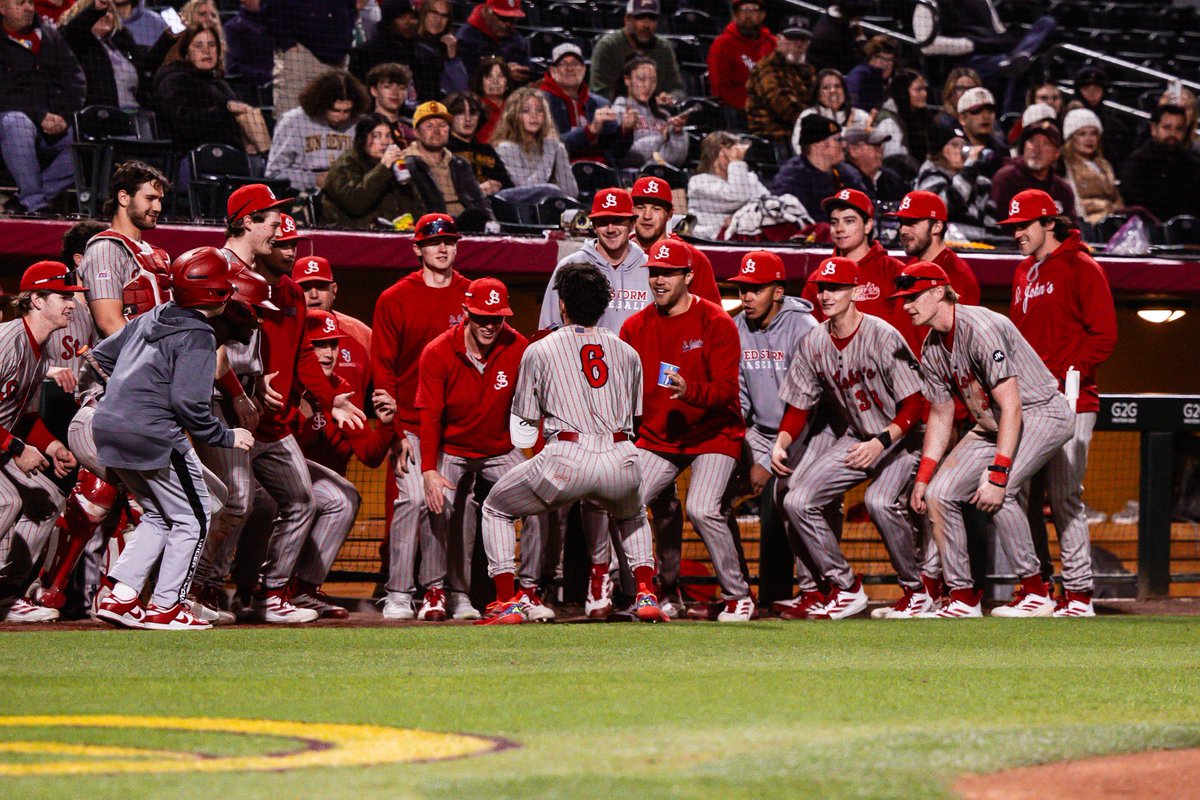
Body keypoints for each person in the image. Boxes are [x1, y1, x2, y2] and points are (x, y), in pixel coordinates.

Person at [478, 262, 668, 625]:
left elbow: (523, 428)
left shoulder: (540, 349)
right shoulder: (627, 352)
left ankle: (506, 601)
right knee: (631, 513)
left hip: (566, 456)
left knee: (496, 508)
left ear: (562, 304)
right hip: (621, 455)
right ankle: (645, 592)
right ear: (603, 306)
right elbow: (635, 419)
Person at [33, 162, 173, 614]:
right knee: (118, 497)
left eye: (160, 199)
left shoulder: (153, 254)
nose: (157, 206)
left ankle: (111, 596)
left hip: (145, 393)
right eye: (149, 198)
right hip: (110, 394)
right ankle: (55, 592)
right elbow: (112, 324)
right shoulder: (105, 248)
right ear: (123, 197)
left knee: (128, 499)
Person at [901, 258, 1075, 619]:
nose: (906, 305)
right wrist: (924, 475)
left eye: (913, 296)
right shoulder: (932, 346)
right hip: (993, 423)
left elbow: (1012, 405)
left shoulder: (979, 328)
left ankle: (1036, 590)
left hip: (1040, 411)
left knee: (1000, 489)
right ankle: (962, 597)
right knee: (938, 493)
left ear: (937, 291)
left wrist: (998, 472)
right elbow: (940, 412)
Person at [89, 247, 252, 630]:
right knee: (195, 518)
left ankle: (123, 596)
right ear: (213, 294)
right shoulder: (199, 334)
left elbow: (102, 355)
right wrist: (225, 436)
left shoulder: (155, 314)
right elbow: (189, 405)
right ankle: (167, 607)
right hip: (152, 433)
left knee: (162, 515)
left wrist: (132, 393)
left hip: (109, 426)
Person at [772, 256, 929, 619]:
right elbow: (798, 407)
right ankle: (845, 587)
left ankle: (915, 589)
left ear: (856, 291)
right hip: (858, 436)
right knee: (797, 501)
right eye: (822, 288)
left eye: (836, 288)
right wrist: (782, 441)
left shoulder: (883, 334)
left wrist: (881, 443)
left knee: (878, 501)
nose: (826, 295)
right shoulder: (814, 341)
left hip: (901, 439)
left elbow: (915, 403)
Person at [619, 239, 753, 622]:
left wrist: (689, 391)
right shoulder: (634, 327)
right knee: (625, 503)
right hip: (660, 437)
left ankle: (738, 595)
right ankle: (655, 591)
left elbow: (727, 390)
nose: (659, 280)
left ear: (688, 276)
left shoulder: (716, 321)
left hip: (714, 433)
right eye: (654, 273)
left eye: (668, 273)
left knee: (702, 508)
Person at [1005, 189, 1116, 618]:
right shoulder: (1021, 272)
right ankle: (1039, 589)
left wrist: (1067, 370)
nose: (1017, 234)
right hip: (1029, 402)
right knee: (1021, 493)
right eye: (1013, 227)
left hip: (1072, 399)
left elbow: (1104, 335)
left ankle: (1080, 593)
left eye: (1024, 225)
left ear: (1049, 223)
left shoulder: (1081, 266)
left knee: (1065, 495)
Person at [417, 278, 539, 622]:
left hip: (499, 449)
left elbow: (534, 405)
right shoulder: (438, 351)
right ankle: (437, 590)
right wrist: (429, 470)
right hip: (452, 448)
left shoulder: (517, 346)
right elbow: (430, 414)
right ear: (465, 313)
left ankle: (528, 589)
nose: (489, 325)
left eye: (496, 318)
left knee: (539, 502)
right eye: (482, 317)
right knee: (437, 504)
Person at [371, 213, 471, 621]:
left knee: (448, 505)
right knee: (413, 499)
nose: (443, 248)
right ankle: (398, 591)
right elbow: (383, 371)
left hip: (455, 428)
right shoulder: (394, 298)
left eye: (449, 241)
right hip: (411, 425)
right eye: (433, 242)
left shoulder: (471, 294)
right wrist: (394, 434)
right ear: (417, 249)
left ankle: (442, 592)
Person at [726, 251, 824, 617]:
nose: (747, 296)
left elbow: (811, 403)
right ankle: (737, 591)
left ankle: (814, 589)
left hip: (806, 432)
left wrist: (768, 461)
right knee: (716, 494)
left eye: (756, 289)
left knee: (787, 501)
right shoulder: (738, 327)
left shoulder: (806, 329)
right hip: (761, 431)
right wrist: (740, 451)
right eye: (742, 288)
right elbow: (739, 399)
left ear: (778, 292)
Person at [291, 309, 388, 619]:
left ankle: (305, 590)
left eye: (332, 345)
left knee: (344, 499)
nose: (329, 353)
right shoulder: (291, 383)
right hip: (277, 480)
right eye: (319, 345)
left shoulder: (342, 389)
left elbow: (370, 456)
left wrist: (387, 425)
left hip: (317, 490)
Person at [0, 262, 81, 623]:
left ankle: (5, 597)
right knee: (8, 501)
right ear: (35, 299)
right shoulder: (7, 342)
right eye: (63, 296)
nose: (72, 304)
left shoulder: (40, 347)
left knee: (47, 500)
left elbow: (26, 417)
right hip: (4, 449)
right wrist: (16, 449)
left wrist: (51, 447)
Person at [799, 188, 919, 355]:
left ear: (868, 225)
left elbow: (909, 334)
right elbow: (809, 337)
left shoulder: (895, 272)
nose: (839, 229)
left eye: (849, 221)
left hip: (884, 368)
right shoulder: (817, 278)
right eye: (834, 222)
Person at [0, 0, 86, 214]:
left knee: (85, 141)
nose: (30, 8)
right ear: (2, 8)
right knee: (16, 122)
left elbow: (75, 81)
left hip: (51, 122)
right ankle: (35, 202)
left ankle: (27, 201)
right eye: (21, 3)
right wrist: (38, 115)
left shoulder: (50, 37)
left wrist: (64, 116)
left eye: (31, 2)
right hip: (9, 123)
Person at [152, 24, 255, 155]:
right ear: (186, 53)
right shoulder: (173, 81)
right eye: (198, 46)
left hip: (229, 155)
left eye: (211, 45)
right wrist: (224, 108)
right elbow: (185, 125)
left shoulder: (221, 84)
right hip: (190, 156)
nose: (207, 51)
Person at [266, 69, 369, 193]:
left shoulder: (357, 123)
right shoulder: (293, 121)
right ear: (321, 103)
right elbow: (273, 173)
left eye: (346, 111)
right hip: (303, 194)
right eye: (335, 110)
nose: (342, 116)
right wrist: (313, 179)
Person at [322, 112, 424, 230]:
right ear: (363, 138)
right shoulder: (346, 164)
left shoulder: (393, 164)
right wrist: (383, 167)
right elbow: (356, 204)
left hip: (393, 235)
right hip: (351, 234)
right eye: (376, 136)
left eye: (388, 136)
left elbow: (415, 205)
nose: (384, 142)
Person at [629, 175, 721, 304]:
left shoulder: (693, 258)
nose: (647, 216)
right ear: (631, 211)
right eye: (640, 207)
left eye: (656, 209)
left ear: (669, 214)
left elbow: (712, 317)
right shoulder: (616, 252)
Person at [403, 100, 494, 229]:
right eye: (429, 126)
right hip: (434, 228)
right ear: (416, 132)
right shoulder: (406, 165)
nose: (437, 130)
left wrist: (493, 224)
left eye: (442, 125)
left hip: (469, 227)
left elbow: (480, 200)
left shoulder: (460, 164)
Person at [540, 42, 631, 166]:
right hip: (560, 169)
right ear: (552, 71)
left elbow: (615, 153)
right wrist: (590, 131)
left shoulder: (600, 103)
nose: (570, 68)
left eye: (575, 64)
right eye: (563, 64)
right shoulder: (541, 102)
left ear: (583, 70)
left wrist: (625, 131)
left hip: (601, 170)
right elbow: (548, 145)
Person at [260, 0, 358, 115]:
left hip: (339, 54)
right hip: (302, 53)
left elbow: (351, 7)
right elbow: (269, 8)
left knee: (334, 119)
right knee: (293, 115)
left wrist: (348, 35)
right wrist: (287, 43)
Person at [888, 190, 981, 307]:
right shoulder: (911, 267)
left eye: (912, 222)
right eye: (901, 223)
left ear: (937, 227)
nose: (903, 230)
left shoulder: (954, 276)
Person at [773, 116, 870, 225]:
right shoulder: (792, 179)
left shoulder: (847, 174)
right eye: (838, 140)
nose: (844, 144)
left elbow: (866, 209)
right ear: (818, 145)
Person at [491, 87, 578, 199]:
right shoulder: (506, 148)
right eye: (526, 111)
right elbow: (528, 191)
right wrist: (550, 150)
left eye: (539, 110)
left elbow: (571, 193)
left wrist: (559, 149)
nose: (534, 115)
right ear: (514, 116)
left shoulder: (552, 146)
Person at [589, 0, 684, 103]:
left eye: (652, 18)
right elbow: (599, 93)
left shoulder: (664, 48)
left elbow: (678, 90)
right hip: (616, 113)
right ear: (627, 19)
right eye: (640, 17)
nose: (646, 25)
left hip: (656, 115)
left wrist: (671, 98)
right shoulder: (608, 47)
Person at [1120, 103, 1200, 222]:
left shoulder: (1193, 165)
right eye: (1167, 127)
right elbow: (1135, 206)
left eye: (1179, 129)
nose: (1173, 134)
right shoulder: (1138, 163)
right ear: (1153, 129)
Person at [60, 0, 144, 110]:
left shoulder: (122, 41)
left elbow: (146, 69)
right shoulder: (74, 40)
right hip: (97, 117)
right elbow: (74, 31)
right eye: (102, 11)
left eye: (110, 11)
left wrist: (167, 39)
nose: (106, 15)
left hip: (135, 115)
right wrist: (96, 8)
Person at [687, 131, 771, 239]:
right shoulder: (698, 182)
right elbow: (737, 197)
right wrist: (736, 163)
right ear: (719, 151)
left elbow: (766, 204)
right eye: (731, 151)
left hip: (748, 238)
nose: (736, 156)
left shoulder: (750, 178)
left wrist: (740, 219)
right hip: (711, 242)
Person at [745, 17, 815, 143]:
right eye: (792, 38)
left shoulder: (807, 69)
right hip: (773, 139)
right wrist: (820, 120)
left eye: (803, 39)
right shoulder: (766, 67)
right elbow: (783, 107)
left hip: (802, 135)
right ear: (779, 40)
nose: (798, 44)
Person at [610, 56, 688, 169]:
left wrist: (677, 134)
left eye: (653, 80)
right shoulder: (616, 113)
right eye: (641, 79)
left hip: (663, 176)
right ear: (627, 80)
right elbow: (627, 156)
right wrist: (661, 137)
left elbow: (676, 160)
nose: (648, 86)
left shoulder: (663, 115)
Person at [991, 119, 1076, 223]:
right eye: (1032, 141)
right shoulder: (1006, 179)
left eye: (1046, 143)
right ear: (1024, 146)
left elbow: (1071, 230)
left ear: (1056, 154)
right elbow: (999, 225)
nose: (1037, 149)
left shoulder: (1062, 189)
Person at [914, 122, 994, 227]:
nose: (962, 150)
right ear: (943, 150)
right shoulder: (930, 176)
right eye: (955, 145)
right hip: (945, 239)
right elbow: (942, 207)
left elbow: (990, 217)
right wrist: (969, 169)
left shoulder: (975, 178)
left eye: (964, 144)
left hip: (976, 240)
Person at [708, 0, 775, 112]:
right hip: (736, 114)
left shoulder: (772, 43)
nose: (748, 15)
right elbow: (720, 89)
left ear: (762, 15)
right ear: (735, 15)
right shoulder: (722, 44)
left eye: (753, 9)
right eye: (743, 9)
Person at [1061, 108, 1123, 223]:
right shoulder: (1065, 165)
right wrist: (1103, 206)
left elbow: (1117, 198)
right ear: (1071, 138)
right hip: (1086, 224)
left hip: (1112, 221)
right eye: (1082, 134)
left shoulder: (1104, 165)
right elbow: (1071, 203)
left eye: (1093, 133)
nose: (1089, 139)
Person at [446, 91, 511, 195]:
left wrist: (497, 186)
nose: (467, 119)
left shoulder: (487, 150)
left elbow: (508, 187)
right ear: (450, 117)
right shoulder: (445, 150)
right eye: (460, 113)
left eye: (472, 113)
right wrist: (478, 190)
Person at [791, 69, 870, 152]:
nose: (833, 91)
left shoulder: (861, 115)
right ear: (818, 94)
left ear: (844, 91)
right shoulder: (809, 116)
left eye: (837, 86)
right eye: (826, 87)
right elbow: (800, 149)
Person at [874, 69, 937, 173]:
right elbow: (895, 162)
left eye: (925, 89)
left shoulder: (922, 115)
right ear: (902, 91)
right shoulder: (888, 121)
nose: (924, 94)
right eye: (918, 90)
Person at [1071, 66, 1133, 172]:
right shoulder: (1068, 120)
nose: (1092, 94)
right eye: (1086, 89)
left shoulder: (1114, 125)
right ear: (1078, 91)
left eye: (1097, 89)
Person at [456, 0, 530, 82]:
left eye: (512, 19)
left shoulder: (519, 42)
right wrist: (504, 73)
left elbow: (528, 74)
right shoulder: (466, 38)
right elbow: (464, 80)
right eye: (503, 18)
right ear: (486, 12)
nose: (507, 24)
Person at [349, 0, 418, 82]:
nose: (409, 22)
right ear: (388, 22)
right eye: (402, 17)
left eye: (413, 17)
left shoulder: (422, 53)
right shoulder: (364, 53)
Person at [413, 0, 467, 101]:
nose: (438, 20)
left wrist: (453, 58)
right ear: (424, 13)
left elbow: (462, 89)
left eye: (444, 16)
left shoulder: (450, 46)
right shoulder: (410, 43)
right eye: (434, 13)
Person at [842, 126, 907, 206]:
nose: (880, 150)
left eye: (881, 145)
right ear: (854, 150)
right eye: (875, 145)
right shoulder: (844, 180)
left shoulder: (891, 178)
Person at [956, 86, 1007, 181]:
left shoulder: (1002, 152)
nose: (986, 116)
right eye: (976, 111)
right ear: (962, 119)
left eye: (990, 110)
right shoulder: (954, 152)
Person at [365, 62, 415, 148]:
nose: (395, 93)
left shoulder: (411, 130)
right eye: (387, 87)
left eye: (401, 88)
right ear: (374, 91)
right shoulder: (363, 127)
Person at [845, 34, 898, 113]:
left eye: (890, 60)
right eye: (881, 58)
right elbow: (851, 108)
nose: (886, 64)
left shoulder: (890, 82)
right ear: (870, 56)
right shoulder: (858, 76)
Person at [224, 0, 272, 86]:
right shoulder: (233, 28)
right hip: (258, 91)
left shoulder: (278, 23)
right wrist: (269, 76)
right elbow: (234, 69)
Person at [471, 55, 511, 145]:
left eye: (500, 76)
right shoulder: (474, 108)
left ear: (507, 84)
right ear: (481, 83)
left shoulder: (515, 108)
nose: (495, 81)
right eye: (489, 76)